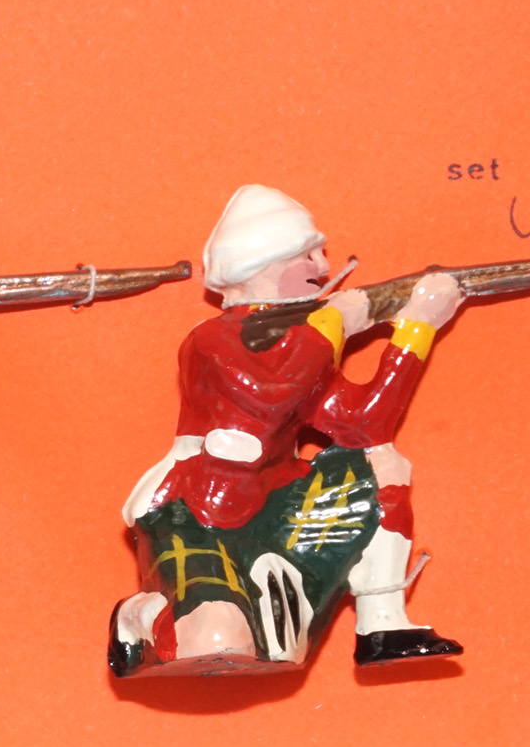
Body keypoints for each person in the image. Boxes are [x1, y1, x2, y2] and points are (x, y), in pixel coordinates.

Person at [111, 183, 465, 677]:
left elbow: (365, 424)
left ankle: (382, 623)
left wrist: (415, 330)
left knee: (381, 461)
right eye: (308, 254)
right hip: (199, 509)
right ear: (259, 261)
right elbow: (270, 395)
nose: (323, 266)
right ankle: (142, 615)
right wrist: (333, 322)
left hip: (278, 503)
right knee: (217, 639)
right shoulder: (211, 339)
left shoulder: (305, 345)